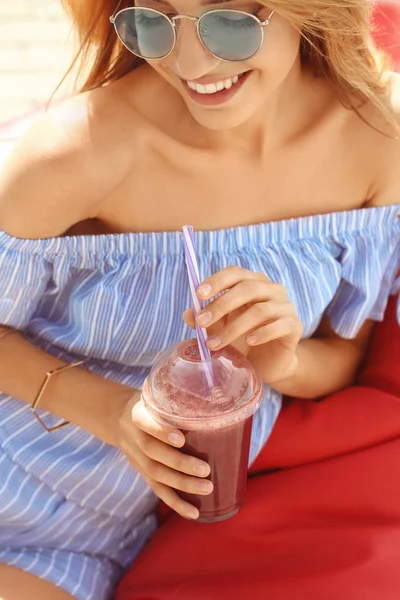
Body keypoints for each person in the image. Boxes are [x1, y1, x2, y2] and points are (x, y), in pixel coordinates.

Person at [0, 0, 398, 598]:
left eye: (230, 23)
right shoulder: (75, 153)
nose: (188, 62)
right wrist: (113, 412)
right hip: (16, 482)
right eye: (153, 22)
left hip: (128, 532)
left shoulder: (373, 147)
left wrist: (282, 363)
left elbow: (344, 359)